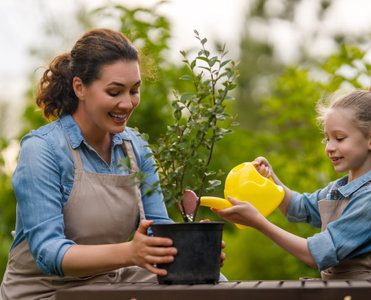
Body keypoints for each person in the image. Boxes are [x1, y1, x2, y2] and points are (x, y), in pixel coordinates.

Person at [1, 28, 220, 300]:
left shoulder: (136, 148)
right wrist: (129, 253)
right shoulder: (42, 150)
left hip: (111, 283)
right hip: (46, 291)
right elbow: (48, 253)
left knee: (210, 284)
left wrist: (192, 250)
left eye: (134, 91)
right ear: (79, 87)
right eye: (115, 91)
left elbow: (157, 231)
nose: (127, 104)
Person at [213, 83, 371, 280]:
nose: (329, 147)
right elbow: (298, 207)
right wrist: (271, 180)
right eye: (327, 139)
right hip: (345, 291)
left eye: (339, 138)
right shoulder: (339, 189)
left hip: (370, 293)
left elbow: (316, 254)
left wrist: (259, 223)